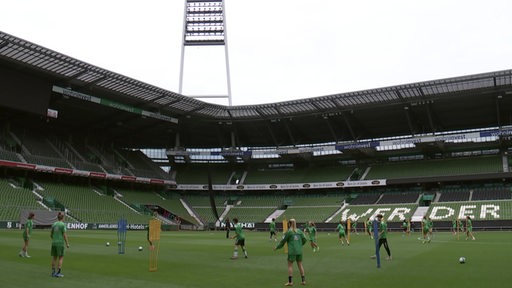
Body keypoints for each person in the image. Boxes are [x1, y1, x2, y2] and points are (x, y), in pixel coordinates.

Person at [274, 218, 307, 286]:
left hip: (292, 251)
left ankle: (290, 282)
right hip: (299, 251)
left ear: (289, 224)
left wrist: (277, 247)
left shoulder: (289, 232)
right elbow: (305, 239)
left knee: (290, 266)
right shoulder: (299, 231)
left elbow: (283, 242)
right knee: (300, 265)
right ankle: (303, 280)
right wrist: (300, 245)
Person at [50, 212, 70, 277]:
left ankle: (53, 272)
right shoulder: (62, 225)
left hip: (54, 243)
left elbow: (51, 235)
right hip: (60, 243)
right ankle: (58, 273)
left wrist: (55, 239)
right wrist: (67, 243)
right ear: (63, 218)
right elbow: (64, 235)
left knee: (54, 257)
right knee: (61, 257)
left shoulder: (54, 224)